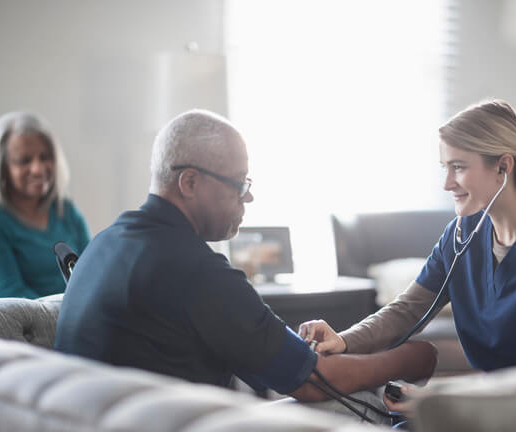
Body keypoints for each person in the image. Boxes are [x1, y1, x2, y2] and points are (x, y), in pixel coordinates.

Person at [54, 110, 437, 404]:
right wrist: (412, 358)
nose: (248, 197)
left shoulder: (105, 243)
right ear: (189, 182)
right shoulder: (195, 271)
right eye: (239, 183)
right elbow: (313, 382)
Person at [299, 99, 516, 412]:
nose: (447, 183)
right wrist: (343, 340)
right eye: (444, 168)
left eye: (458, 167)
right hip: (510, 407)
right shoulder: (462, 233)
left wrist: (441, 398)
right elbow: (407, 310)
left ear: (503, 167)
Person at [0, 112, 90, 300]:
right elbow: (13, 302)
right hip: (11, 327)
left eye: (45, 157)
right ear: (0, 168)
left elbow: (93, 274)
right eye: (24, 160)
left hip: (73, 319)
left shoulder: (65, 210)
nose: (38, 169)